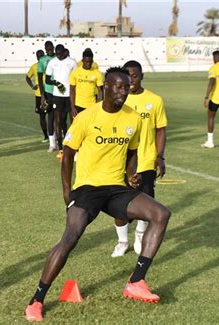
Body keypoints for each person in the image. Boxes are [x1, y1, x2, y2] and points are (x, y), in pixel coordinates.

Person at [25, 67, 171, 322]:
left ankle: (136, 282)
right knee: (70, 238)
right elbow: (68, 153)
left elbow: (133, 150)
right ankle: (37, 299)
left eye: (126, 87)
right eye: (118, 86)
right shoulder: (86, 116)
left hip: (116, 188)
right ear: (105, 86)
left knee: (160, 213)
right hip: (87, 188)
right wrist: (66, 190)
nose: (123, 91)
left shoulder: (133, 118)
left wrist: (129, 173)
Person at [111, 60, 168, 258]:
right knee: (119, 205)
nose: (132, 80)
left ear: (142, 76)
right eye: (128, 76)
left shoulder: (155, 100)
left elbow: (161, 130)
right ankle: (122, 241)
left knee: (146, 202)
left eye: (135, 76)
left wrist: (160, 156)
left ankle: (139, 235)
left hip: (145, 162)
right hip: (120, 163)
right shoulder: (119, 100)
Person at [45, 44, 76, 159]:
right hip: (57, 96)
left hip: (70, 96)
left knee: (72, 121)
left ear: (64, 52)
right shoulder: (52, 62)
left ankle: (73, 147)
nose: (58, 56)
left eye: (60, 54)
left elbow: (76, 78)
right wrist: (56, 83)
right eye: (56, 54)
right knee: (58, 121)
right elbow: (47, 79)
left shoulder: (72, 62)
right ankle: (61, 149)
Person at [69, 48, 103, 118]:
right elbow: (72, 90)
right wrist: (72, 107)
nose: (88, 64)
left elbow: (100, 91)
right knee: (77, 127)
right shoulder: (75, 72)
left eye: (90, 62)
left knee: (90, 127)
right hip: (78, 105)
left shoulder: (97, 73)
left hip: (91, 105)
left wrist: (99, 106)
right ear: (82, 61)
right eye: (86, 62)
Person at [37, 41, 56, 151]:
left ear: (53, 48)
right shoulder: (42, 60)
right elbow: (40, 79)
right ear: (45, 49)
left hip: (60, 91)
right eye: (47, 48)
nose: (49, 50)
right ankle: (52, 144)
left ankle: (60, 141)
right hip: (48, 91)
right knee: (51, 116)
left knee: (61, 118)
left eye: (50, 48)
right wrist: (42, 94)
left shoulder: (58, 57)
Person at [26, 50, 48, 142]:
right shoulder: (34, 67)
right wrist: (32, 86)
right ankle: (46, 136)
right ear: (37, 57)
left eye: (42, 56)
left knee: (53, 115)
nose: (40, 58)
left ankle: (53, 135)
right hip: (39, 95)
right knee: (42, 116)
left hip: (49, 93)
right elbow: (27, 77)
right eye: (39, 56)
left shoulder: (48, 65)